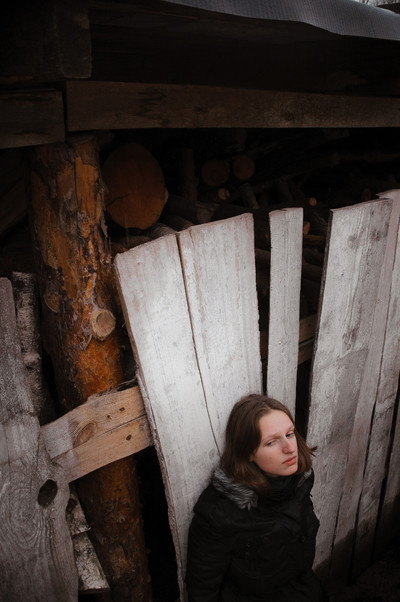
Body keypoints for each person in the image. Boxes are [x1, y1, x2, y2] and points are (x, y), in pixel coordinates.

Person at [185, 394, 327, 602]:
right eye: (271, 442)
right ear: (247, 453)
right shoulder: (220, 512)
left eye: (289, 434)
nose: (290, 448)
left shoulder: (299, 481)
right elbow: (202, 588)